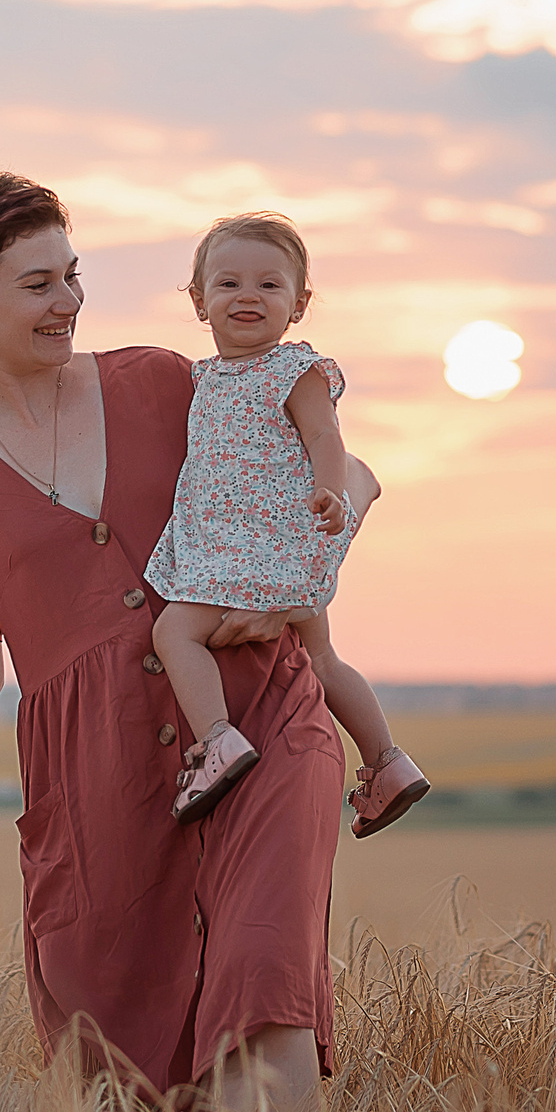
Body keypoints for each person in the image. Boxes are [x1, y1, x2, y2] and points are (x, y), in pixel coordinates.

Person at [0, 167, 372, 1112]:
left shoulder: (166, 382)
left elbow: (355, 474)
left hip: (256, 719)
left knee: (267, 983)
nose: (71, 302)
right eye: (38, 284)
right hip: (99, 784)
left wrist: (295, 584)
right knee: (123, 1085)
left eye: (73, 273)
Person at [142, 211, 429, 833]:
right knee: (323, 658)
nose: (249, 296)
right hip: (282, 557)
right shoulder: (206, 378)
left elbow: (325, 433)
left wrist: (330, 491)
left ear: (298, 305)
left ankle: (215, 741)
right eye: (229, 284)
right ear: (199, 302)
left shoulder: (293, 369)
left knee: (174, 635)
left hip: (255, 551)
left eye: (269, 286)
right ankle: (386, 763)